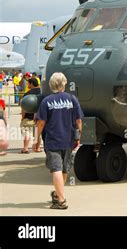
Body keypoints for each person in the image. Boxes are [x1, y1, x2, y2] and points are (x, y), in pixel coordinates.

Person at [36, 72, 83, 210]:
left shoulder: (46, 101)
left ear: (51, 84)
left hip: (53, 140)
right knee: (64, 168)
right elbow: (79, 120)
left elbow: (40, 123)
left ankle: (61, 201)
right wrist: (79, 136)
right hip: (68, 140)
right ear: (64, 84)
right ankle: (57, 194)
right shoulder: (72, 99)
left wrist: (36, 139)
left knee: (56, 168)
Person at [19, 79, 40, 153]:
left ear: (31, 84)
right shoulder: (42, 92)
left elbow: (24, 108)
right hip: (40, 118)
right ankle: (38, 148)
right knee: (38, 133)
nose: (27, 85)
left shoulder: (27, 94)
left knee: (27, 132)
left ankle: (25, 148)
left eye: (28, 83)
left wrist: (22, 117)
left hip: (28, 117)